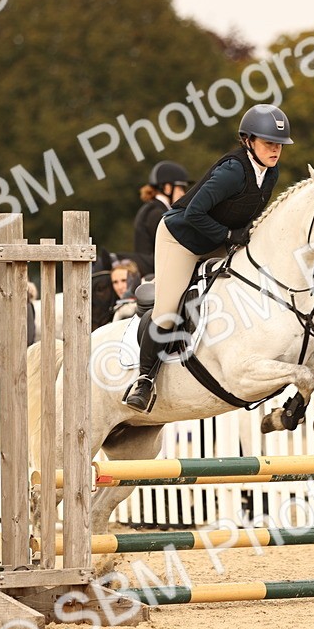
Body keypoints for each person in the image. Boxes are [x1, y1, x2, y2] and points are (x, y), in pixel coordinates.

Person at [124, 104, 291, 412]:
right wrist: (229, 237)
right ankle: (144, 380)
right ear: (248, 141)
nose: (275, 149)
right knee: (167, 311)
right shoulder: (232, 171)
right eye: (269, 143)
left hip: (216, 237)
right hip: (182, 239)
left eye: (279, 144)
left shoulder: (270, 173)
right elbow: (193, 212)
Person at [133, 160, 190, 257]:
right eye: (180, 188)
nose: (183, 194)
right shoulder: (157, 213)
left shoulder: (153, 208)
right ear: (167, 188)